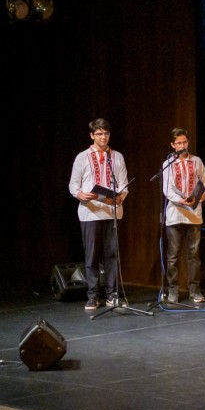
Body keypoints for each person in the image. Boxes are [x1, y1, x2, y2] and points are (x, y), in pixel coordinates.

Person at [68, 118, 130, 310]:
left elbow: (124, 184)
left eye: (106, 133)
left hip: (111, 212)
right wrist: (80, 194)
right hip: (90, 212)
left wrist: (121, 196)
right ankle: (93, 295)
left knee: (112, 255)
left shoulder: (117, 157)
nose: (103, 137)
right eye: (99, 134)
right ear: (92, 135)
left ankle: (113, 294)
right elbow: (73, 184)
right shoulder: (82, 157)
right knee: (92, 255)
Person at [161, 128, 205, 304]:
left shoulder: (196, 161)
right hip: (175, 214)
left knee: (194, 254)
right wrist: (180, 200)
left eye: (185, 142)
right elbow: (167, 189)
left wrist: (203, 194)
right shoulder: (168, 163)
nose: (182, 145)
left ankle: (195, 290)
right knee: (173, 255)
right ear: (173, 145)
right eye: (179, 143)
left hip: (194, 214)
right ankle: (173, 290)